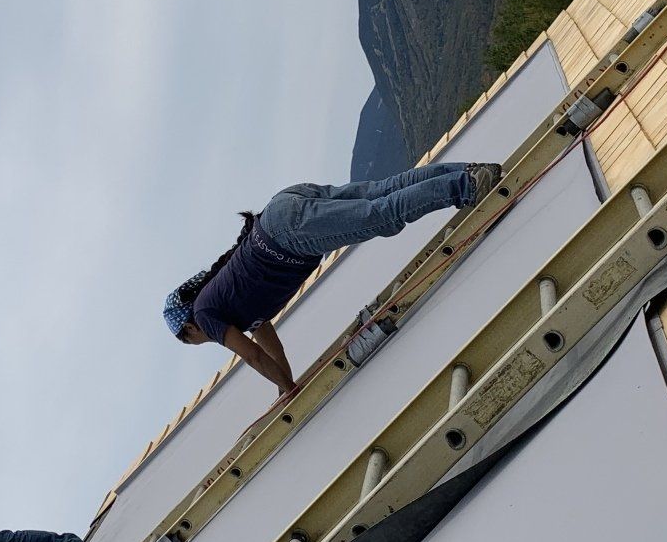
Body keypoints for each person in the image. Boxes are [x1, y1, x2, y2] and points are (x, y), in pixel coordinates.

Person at [163, 162, 502, 396]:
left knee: (381, 216)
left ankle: (466, 185)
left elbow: (251, 356)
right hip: (282, 209)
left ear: (188, 328)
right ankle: (471, 171)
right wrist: (285, 385)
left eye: (187, 340)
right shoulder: (232, 304)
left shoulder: (206, 316)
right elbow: (269, 345)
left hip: (288, 236)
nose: (196, 343)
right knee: (383, 191)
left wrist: (291, 392)